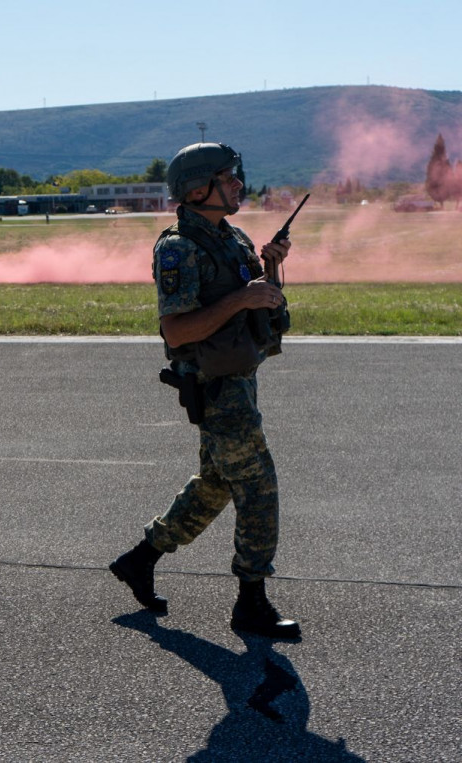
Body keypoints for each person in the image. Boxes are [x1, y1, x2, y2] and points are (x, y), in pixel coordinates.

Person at [109, 142, 300, 639]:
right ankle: (251, 604)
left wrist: (271, 269)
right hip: (216, 389)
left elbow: (261, 308)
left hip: (239, 379)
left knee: (216, 485)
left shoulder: (231, 237)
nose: (238, 184)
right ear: (198, 189)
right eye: (228, 177)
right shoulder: (178, 248)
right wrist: (244, 295)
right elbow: (176, 332)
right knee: (258, 488)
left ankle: (140, 559)